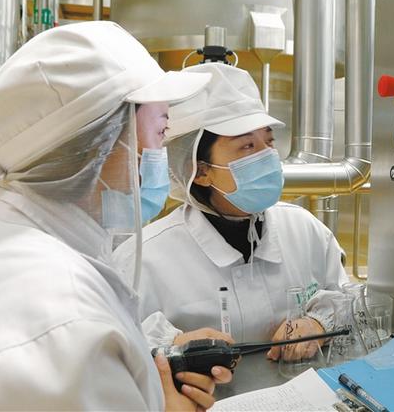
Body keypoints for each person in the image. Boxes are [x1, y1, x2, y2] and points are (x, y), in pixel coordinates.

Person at [0, 22, 231, 411]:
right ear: (105, 142)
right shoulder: (60, 333)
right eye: (160, 132)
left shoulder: (22, 248)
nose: (161, 155)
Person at [115, 62, 349, 361]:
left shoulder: (304, 229)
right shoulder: (143, 258)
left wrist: (318, 323)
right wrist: (174, 347)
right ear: (200, 171)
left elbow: (349, 299)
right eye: (247, 146)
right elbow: (116, 343)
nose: (268, 156)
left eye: (269, 141)